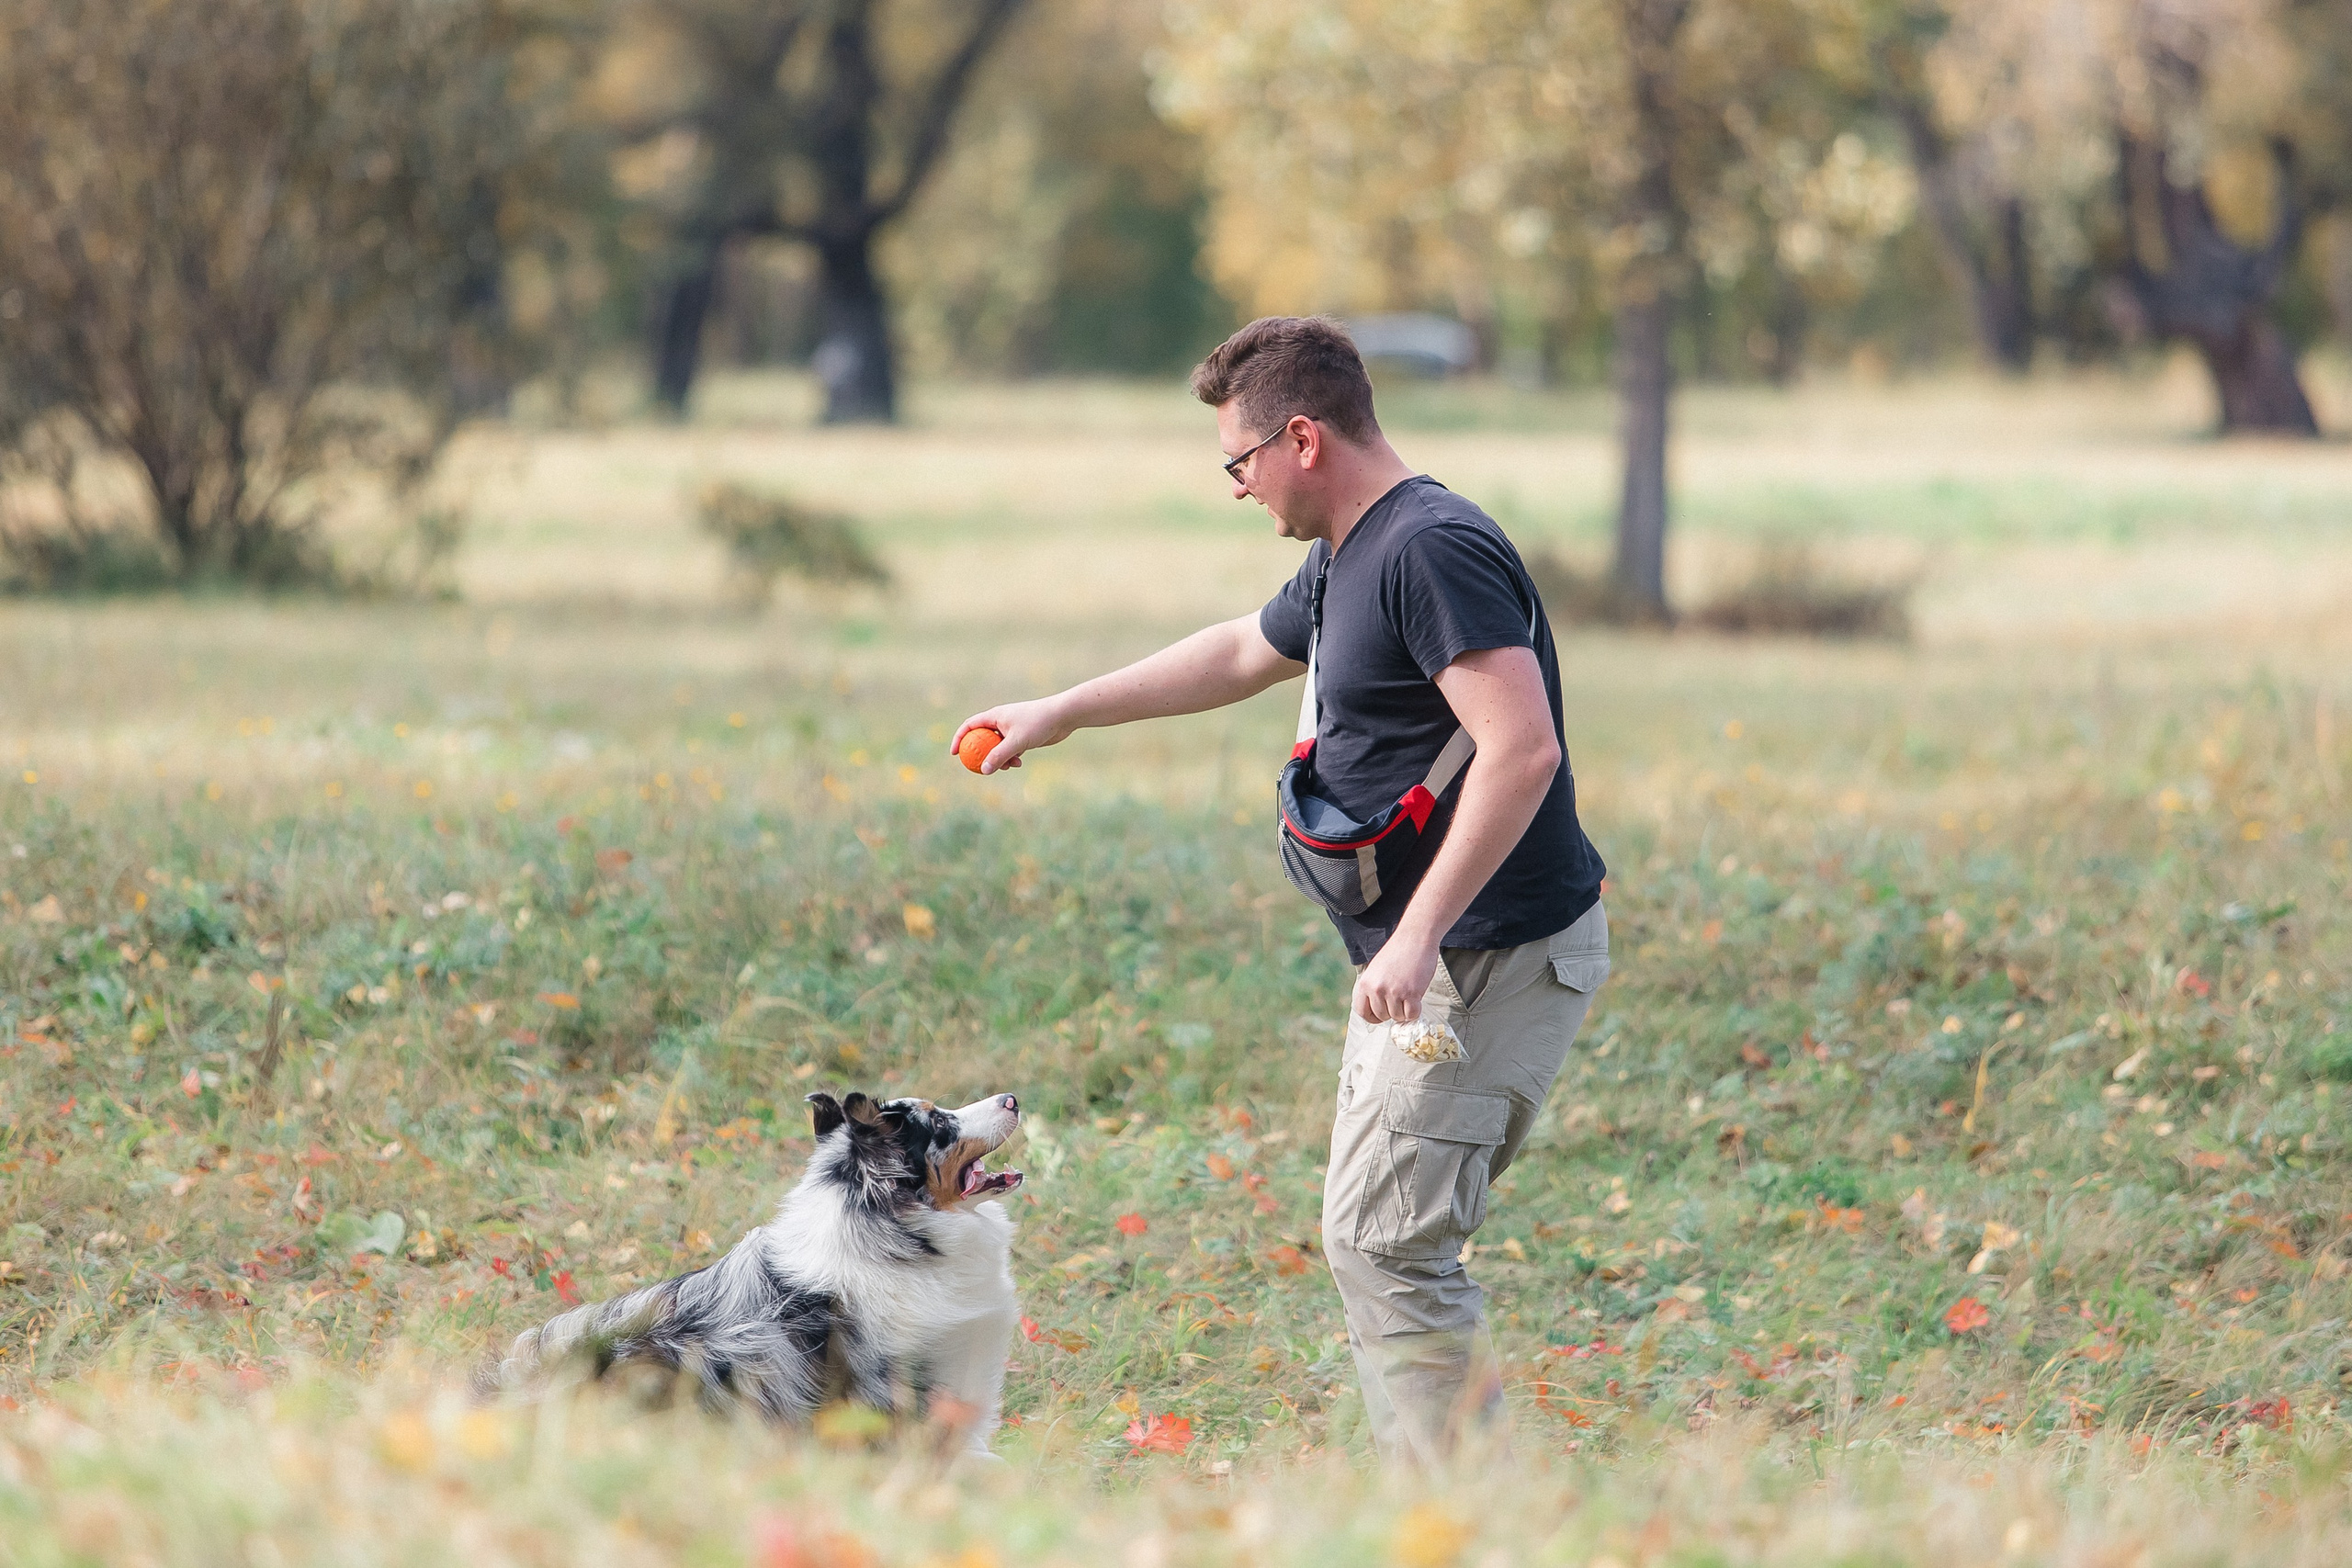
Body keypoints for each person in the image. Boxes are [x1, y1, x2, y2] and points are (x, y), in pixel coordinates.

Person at [951, 316, 1609, 1468]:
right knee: (1374, 1240)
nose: (1237, 488)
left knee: (1389, 1247)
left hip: (1485, 957)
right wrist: (1061, 711)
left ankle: (1472, 1518)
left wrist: (1416, 935)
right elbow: (1238, 653)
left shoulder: (1429, 549)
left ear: (1301, 439)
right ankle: (1443, 1502)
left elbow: (1522, 750)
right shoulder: (1353, 550)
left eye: (1239, 462)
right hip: (1429, 962)